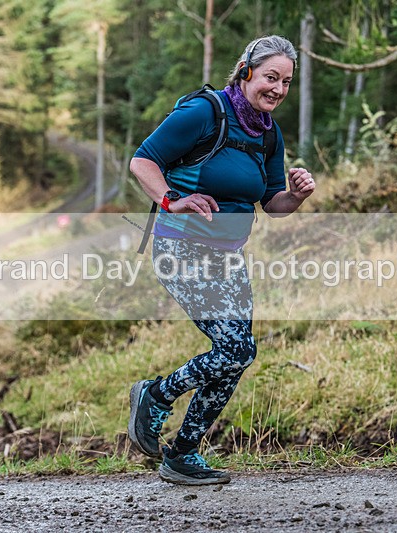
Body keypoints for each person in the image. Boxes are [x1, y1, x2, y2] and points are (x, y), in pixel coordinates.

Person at [127, 35, 315, 485]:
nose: (278, 89)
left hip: (228, 257)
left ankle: (183, 455)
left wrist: (297, 195)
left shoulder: (268, 132)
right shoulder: (205, 113)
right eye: (271, 77)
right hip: (180, 249)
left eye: (287, 82)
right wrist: (172, 200)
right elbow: (142, 162)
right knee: (236, 347)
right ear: (246, 70)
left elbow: (272, 202)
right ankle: (155, 396)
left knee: (237, 354)